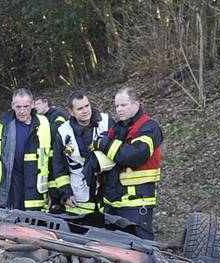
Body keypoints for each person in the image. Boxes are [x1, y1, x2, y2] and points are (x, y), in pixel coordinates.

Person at [0, 88, 73, 211]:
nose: (22, 111)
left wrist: (55, 196)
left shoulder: (44, 124)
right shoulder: (2, 125)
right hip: (9, 192)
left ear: (32, 105)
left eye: (25, 107)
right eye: (18, 107)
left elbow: (52, 161)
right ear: (12, 105)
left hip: (36, 194)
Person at [95, 86, 163, 239]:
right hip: (112, 203)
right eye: (116, 106)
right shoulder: (117, 127)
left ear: (136, 104)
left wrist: (105, 144)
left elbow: (134, 156)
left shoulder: (149, 127)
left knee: (140, 248)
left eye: (123, 105)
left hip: (136, 204)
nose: (119, 109)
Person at [56, 91, 109, 215]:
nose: (85, 111)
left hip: (106, 192)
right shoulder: (63, 132)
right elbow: (59, 167)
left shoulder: (106, 122)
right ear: (71, 112)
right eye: (80, 109)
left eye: (87, 106)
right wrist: (66, 194)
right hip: (78, 197)